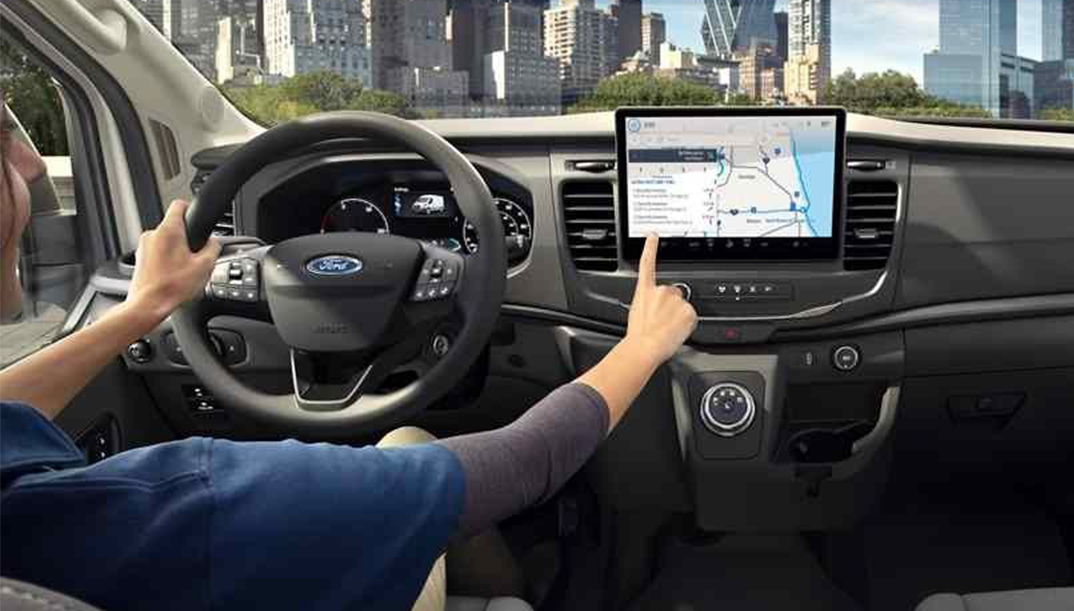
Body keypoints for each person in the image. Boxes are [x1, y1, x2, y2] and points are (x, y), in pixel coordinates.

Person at [0, 100, 698, 611]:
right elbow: (527, 462)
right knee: (410, 444)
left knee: (405, 449)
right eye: (4, 136)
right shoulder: (190, 509)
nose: (32, 162)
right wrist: (642, 345)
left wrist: (143, 311)